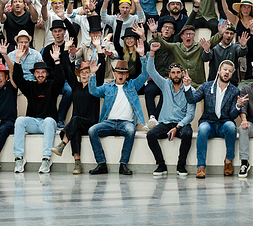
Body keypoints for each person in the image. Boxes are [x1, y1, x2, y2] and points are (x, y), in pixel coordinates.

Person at [87, 43, 148, 176]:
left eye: (124, 73)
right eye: (118, 72)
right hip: (109, 122)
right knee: (92, 130)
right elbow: (93, 91)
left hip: (126, 123)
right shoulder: (107, 87)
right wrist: (92, 75)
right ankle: (101, 164)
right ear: (114, 73)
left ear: (127, 75)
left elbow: (145, 74)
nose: (121, 75)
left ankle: (123, 164)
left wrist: (143, 56)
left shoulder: (132, 85)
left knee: (131, 130)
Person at [11, 44, 65, 174]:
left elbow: (60, 80)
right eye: (38, 72)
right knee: (19, 121)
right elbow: (18, 79)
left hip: (48, 123)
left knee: (49, 121)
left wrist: (57, 61)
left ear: (47, 73)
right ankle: (19, 158)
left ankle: (46, 159)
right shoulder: (30, 86)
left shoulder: (52, 86)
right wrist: (17, 60)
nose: (40, 75)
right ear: (34, 74)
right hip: (34, 123)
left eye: (43, 72)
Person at [144, 44, 195, 176]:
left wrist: (177, 127)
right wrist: (152, 53)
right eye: (173, 73)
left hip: (181, 124)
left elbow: (190, 115)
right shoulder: (165, 84)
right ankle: (161, 165)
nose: (176, 75)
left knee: (187, 134)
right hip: (165, 123)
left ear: (182, 73)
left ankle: (181, 165)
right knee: (150, 135)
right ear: (169, 75)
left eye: (178, 72)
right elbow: (151, 70)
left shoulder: (190, 89)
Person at [184, 60, 240, 179]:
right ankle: (201, 167)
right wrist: (188, 86)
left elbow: (232, 115)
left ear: (232, 74)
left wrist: (238, 106)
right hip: (208, 122)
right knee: (202, 129)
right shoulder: (206, 86)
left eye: (230, 71)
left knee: (231, 126)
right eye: (225, 69)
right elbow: (192, 100)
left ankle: (228, 161)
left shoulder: (235, 90)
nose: (227, 73)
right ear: (219, 71)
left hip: (224, 123)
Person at [52, 54, 105, 175]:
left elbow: (101, 71)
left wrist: (100, 52)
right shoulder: (75, 86)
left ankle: (62, 144)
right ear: (79, 75)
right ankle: (77, 163)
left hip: (91, 123)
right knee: (75, 129)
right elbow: (66, 68)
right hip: (77, 124)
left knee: (74, 120)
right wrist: (64, 53)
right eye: (82, 73)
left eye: (87, 72)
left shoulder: (94, 87)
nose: (84, 75)